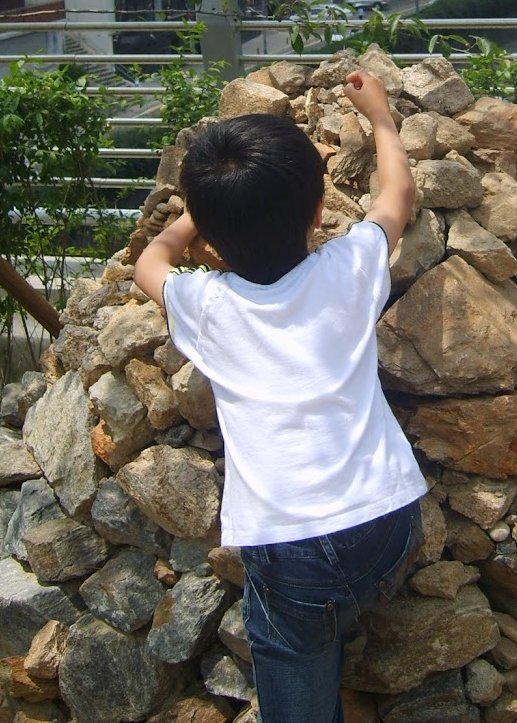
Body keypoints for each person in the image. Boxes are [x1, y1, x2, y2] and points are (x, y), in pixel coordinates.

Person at [134, 69, 426, 723]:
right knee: (338, 593)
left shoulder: (206, 303)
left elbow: (148, 261)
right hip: (389, 526)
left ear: (209, 237)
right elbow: (396, 194)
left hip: (288, 550)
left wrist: (189, 215)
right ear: (319, 213)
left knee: (289, 641)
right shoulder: (349, 267)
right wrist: (379, 116)